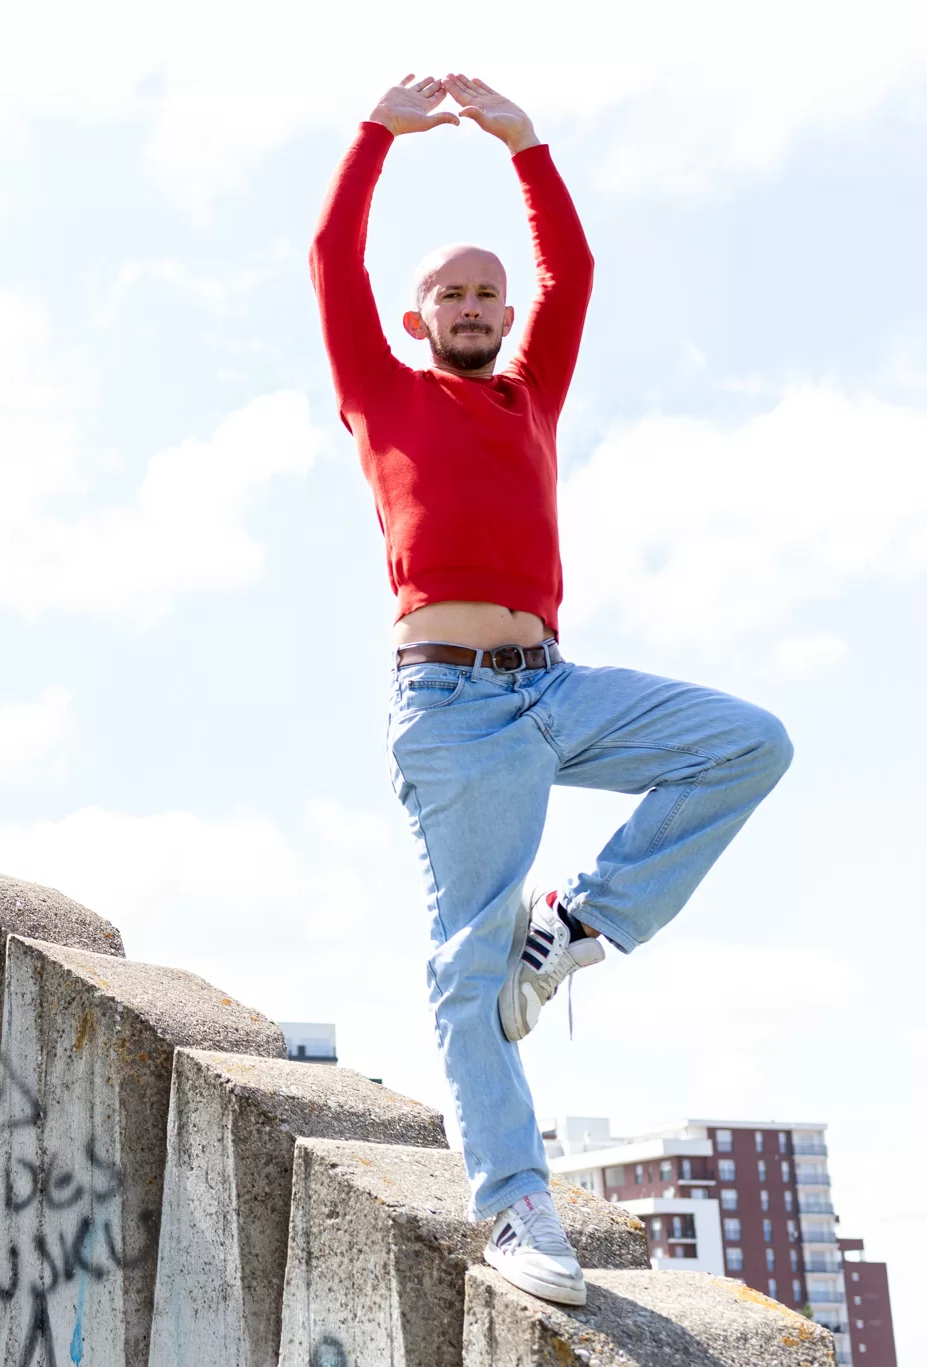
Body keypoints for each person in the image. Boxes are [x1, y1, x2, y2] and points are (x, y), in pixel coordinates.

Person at [310, 74, 792, 1306]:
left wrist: (526, 148)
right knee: (467, 963)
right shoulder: (385, 393)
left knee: (746, 741)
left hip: (555, 685)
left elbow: (569, 275)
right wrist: (376, 138)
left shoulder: (531, 393)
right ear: (416, 320)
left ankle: (575, 921)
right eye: (449, 294)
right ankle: (514, 1205)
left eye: (487, 291)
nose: (471, 305)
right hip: (453, 712)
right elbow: (329, 256)